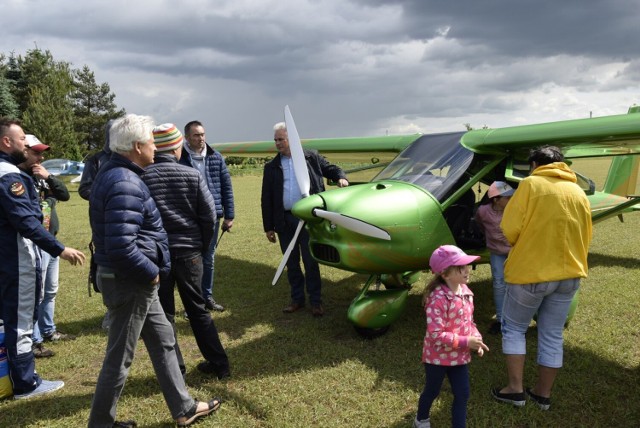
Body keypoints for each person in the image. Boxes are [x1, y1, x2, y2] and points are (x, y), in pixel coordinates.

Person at [87, 114, 220, 427]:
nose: (154, 147)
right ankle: (101, 424)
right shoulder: (124, 182)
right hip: (132, 281)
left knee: (163, 341)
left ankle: (184, 407)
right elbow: (122, 245)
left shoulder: (118, 174)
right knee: (119, 358)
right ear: (136, 147)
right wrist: (152, 272)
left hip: (133, 281)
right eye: (150, 142)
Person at [491, 145, 592, 411]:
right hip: (570, 274)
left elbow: (509, 229)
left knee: (514, 329)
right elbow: (587, 233)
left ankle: (515, 390)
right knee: (552, 334)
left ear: (535, 165)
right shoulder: (578, 191)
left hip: (531, 273)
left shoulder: (530, 185)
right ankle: (542, 394)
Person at [0, 118, 85, 400]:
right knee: (21, 321)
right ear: (6, 142)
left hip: (10, 257)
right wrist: (60, 248)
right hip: (17, 258)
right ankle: (26, 383)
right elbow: (26, 221)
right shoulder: (9, 176)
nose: (27, 144)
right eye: (23, 138)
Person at [141, 123, 231, 380]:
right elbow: (209, 214)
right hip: (190, 253)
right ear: (177, 147)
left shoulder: (142, 177)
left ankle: (175, 369)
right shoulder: (192, 175)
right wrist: (201, 246)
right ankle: (219, 363)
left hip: (159, 256)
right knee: (198, 310)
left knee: (165, 314)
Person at [261, 122, 349, 317]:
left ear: (291, 139)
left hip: (309, 220)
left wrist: (341, 177)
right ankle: (297, 299)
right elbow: (266, 198)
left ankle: (316, 301)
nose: (277, 143)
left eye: (280, 139)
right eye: (275, 140)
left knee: (311, 262)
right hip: (284, 221)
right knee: (291, 263)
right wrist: (269, 227)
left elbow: (332, 169)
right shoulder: (272, 166)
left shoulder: (311, 157)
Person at [414, 245, 488, 428]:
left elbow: (469, 323)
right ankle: (421, 419)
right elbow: (436, 335)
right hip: (437, 358)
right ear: (445, 274)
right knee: (432, 391)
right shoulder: (437, 298)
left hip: (459, 358)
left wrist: (476, 340)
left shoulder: (466, 292)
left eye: (466, 265)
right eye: (460, 267)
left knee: (463, 394)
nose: (466, 270)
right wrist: (466, 342)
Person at [18, 135, 75, 359]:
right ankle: (34, 339)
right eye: (35, 153)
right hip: (34, 242)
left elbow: (64, 195)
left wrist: (48, 176)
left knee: (50, 290)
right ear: (24, 151)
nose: (40, 157)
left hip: (51, 239)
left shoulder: (41, 175)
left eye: (42, 153)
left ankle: (48, 330)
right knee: (36, 293)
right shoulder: (18, 176)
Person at [179, 120, 234, 312]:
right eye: (196, 135)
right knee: (191, 261)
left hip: (212, 217)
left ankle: (207, 298)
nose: (201, 138)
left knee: (208, 259)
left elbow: (226, 187)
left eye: (203, 134)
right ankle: (192, 304)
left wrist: (229, 215)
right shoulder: (179, 158)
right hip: (188, 218)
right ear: (187, 137)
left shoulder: (216, 157)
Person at [78, 120, 113, 330]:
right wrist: (107, 198)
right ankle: (111, 310)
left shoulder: (132, 156)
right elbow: (84, 189)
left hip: (129, 221)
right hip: (103, 222)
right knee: (106, 266)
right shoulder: (96, 160)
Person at [474, 181, 514, 334]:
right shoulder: (483, 211)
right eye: (507, 198)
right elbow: (479, 223)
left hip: (514, 252)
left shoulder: (515, 210)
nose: (511, 200)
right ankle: (501, 320)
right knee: (499, 283)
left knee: (516, 283)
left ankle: (516, 318)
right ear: (496, 199)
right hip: (496, 252)